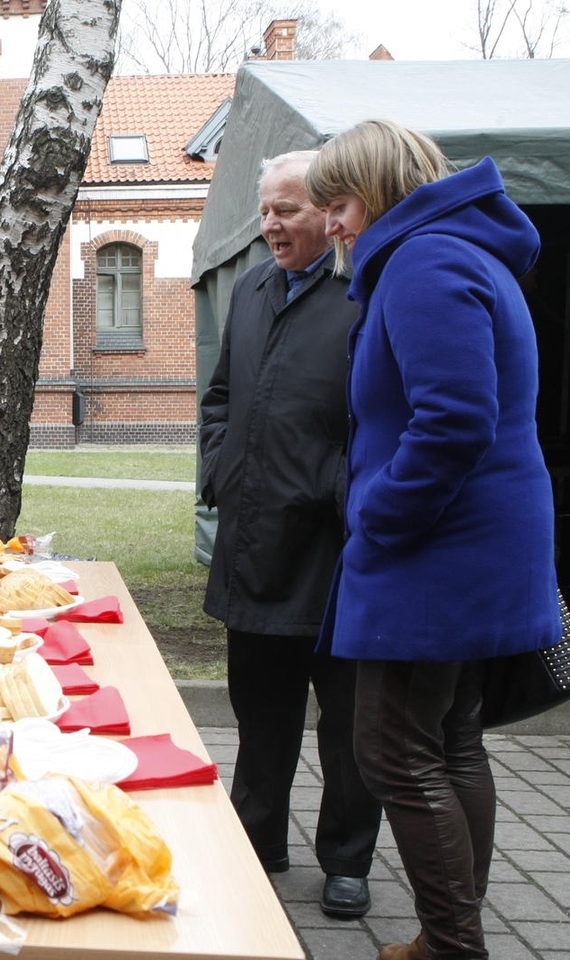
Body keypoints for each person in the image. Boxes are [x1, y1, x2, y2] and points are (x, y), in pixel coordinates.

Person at [305, 119, 560, 960]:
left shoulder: (424, 259)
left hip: (438, 546)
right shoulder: (457, 250)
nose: (332, 223)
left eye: (338, 203)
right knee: (449, 743)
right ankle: (447, 936)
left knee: (393, 752)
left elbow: (454, 420)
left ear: (379, 191)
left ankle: (454, 946)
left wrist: (380, 516)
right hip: (471, 540)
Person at [198, 150, 382, 919]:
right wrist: (219, 470)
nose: (270, 225)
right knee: (259, 708)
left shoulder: (363, 293)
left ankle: (346, 860)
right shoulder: (251, 288)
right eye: (265, 210)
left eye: (289, 210)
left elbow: (386, 418)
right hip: (253, 540)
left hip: (336, 551)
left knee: (347, 721)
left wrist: (335, 491)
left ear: (329, 212)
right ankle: (259, 840)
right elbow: (219, 396)